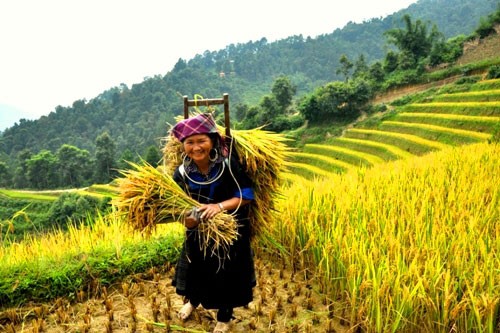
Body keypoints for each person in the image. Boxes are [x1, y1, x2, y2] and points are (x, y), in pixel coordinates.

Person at [170, 112, 256, 333]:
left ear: (213, 141)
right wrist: (188, 221)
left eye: (202, 141)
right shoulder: (181, 173)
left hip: (230, 229)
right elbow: (176, 208)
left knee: (226, 272)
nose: (196, 147)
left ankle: (224, 317)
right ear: (183, 145)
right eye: (190, 142)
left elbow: (245, 195)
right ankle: (192, 301)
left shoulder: (227, 165)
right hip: (198, 231)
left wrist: (217, 207)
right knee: (195, 267)